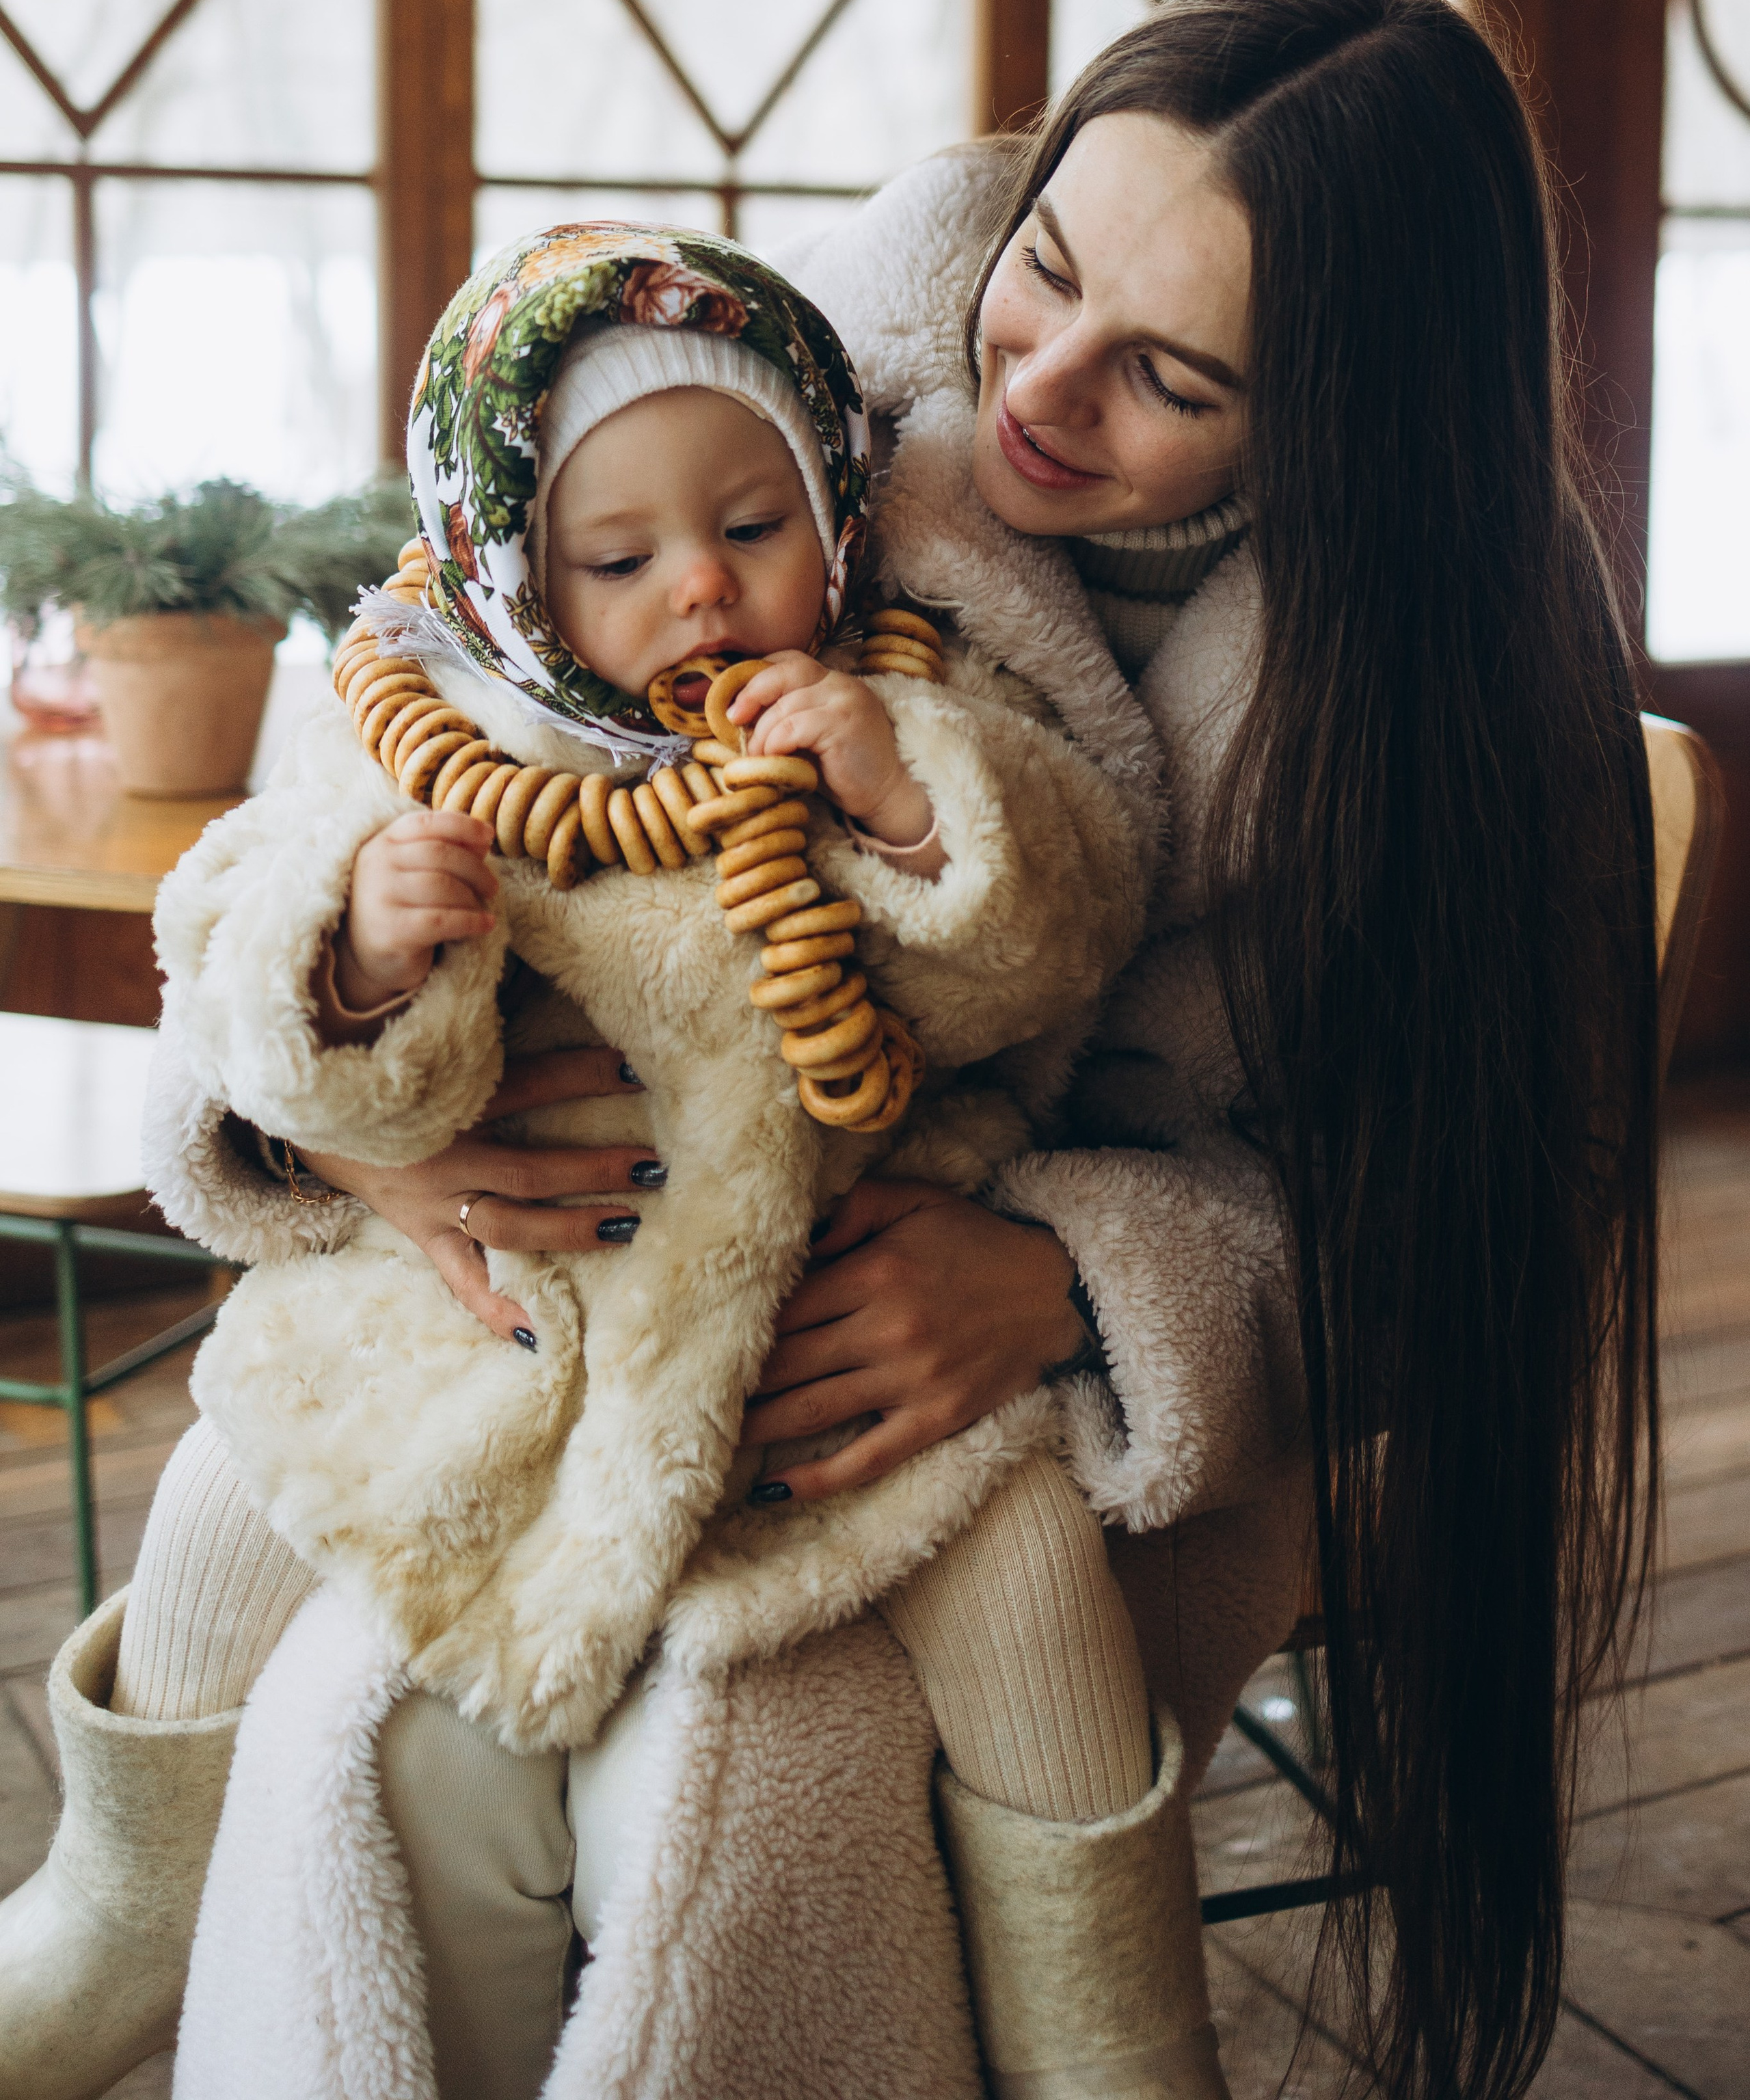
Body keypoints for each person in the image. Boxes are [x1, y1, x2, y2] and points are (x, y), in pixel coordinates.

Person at [10, 0, 1660, 2100]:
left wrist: (1077, 1284)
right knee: (383, 1714)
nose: (1044, 382)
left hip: (1087, 1456)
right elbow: (321, 826)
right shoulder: (783, 420)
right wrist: (349, 1130)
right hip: (593, 1323)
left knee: (722, 1765)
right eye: (1047, 265)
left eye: (1169, 373)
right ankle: (138, 1924)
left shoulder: (1454, 690)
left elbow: (1468, 1242)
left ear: (1356, 424)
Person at [2, 224, 1224, 2100]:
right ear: (516, 573)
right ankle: (108, 1900)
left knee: (1026, 1562)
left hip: (809, 1341)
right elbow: (226, 930)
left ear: (839, 512)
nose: (706, 594)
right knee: (234, 1460)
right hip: (460, 1321)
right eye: (623, 557)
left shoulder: (895, 705)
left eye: (757, 525)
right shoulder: (430, 714)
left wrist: (908, 806)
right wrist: (354, 949)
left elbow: (1051, 937)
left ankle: (1116, 2035)